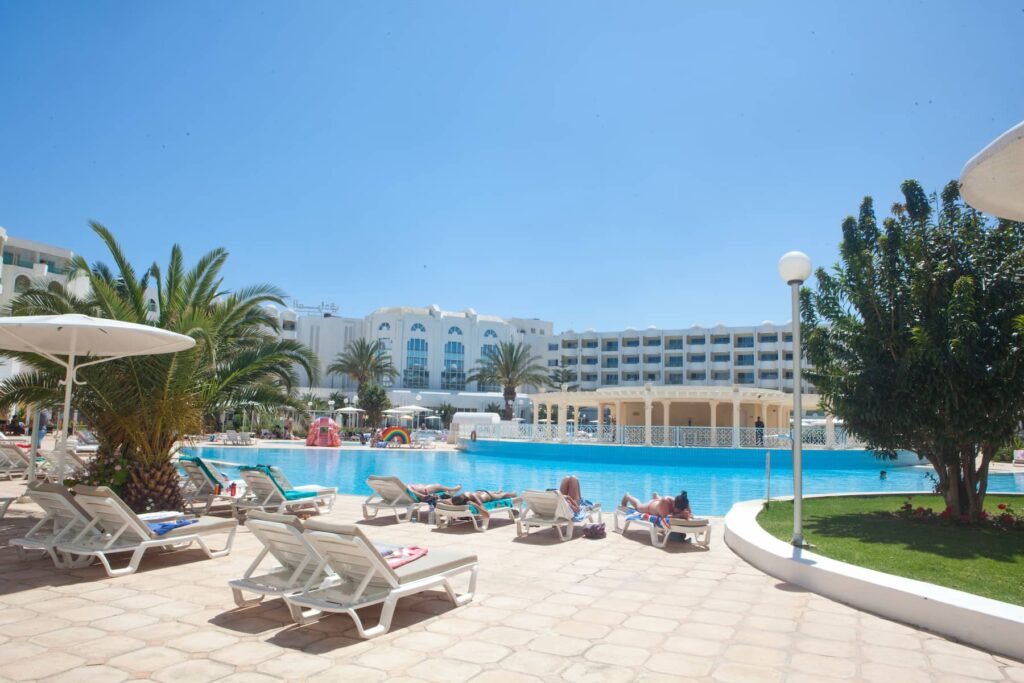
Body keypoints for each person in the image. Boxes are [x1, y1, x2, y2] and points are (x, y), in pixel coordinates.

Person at [450, 489, 516, 519]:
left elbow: (487, 515)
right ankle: (498, 491)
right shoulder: (456, 499)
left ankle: (513, 493)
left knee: (502, 495)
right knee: (497, 493)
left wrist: (475, 505)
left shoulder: (471, 497)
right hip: (479, 492)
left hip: (488, 496)